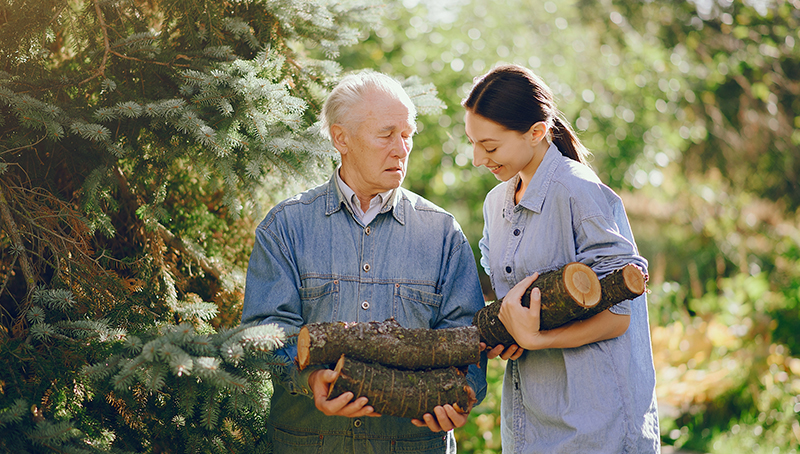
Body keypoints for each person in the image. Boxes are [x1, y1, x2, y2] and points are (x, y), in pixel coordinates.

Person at [241, 70, 488, 454]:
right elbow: (264, 331)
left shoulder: (442, 233)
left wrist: (465, 391)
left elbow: (468, 337)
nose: (402, 148)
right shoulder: (286, 226)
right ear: (341, 138)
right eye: (386, 134)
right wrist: (308, 378)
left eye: (407, 135)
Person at [463, 64, 660, 453]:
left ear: (536, 132)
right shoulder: (495, 203)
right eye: (472, 143)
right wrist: (509, 335)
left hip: (595, 424)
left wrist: (536, 339)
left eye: (489, 147)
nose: (476, 159)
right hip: (528, 420)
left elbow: (619, 317)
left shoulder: (578, 190)